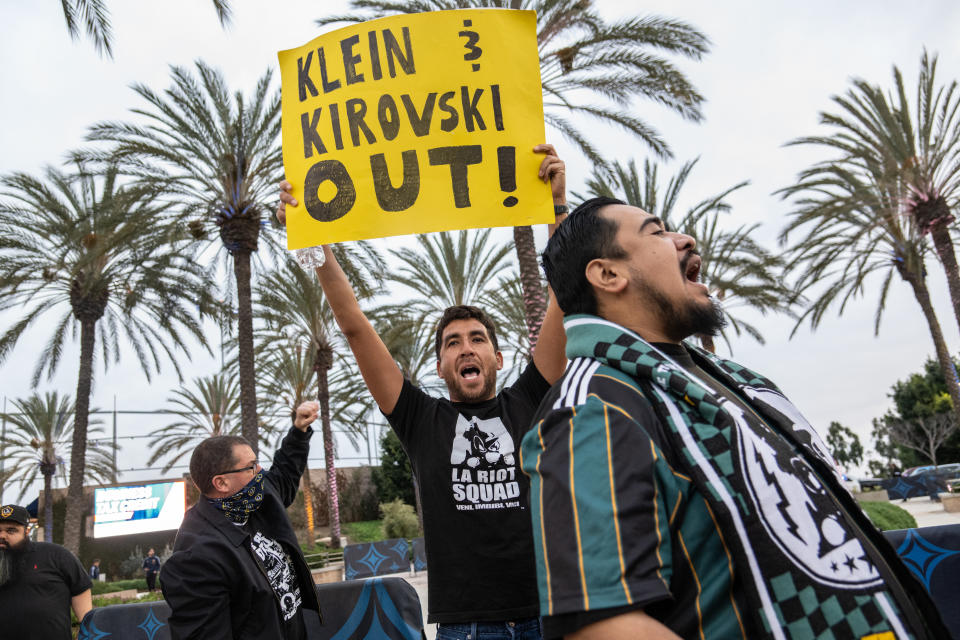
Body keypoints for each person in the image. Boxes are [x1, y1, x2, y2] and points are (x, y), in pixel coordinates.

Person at [520, 197, 949, 639]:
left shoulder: (729, 382)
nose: (684, 239)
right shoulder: (593, 408)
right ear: (608, 275)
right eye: (656, 232)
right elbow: (603, 626)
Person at [277, 144, 568, 639]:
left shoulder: (530, 399)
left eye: (478, 339)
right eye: (453, 343)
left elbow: (568, 298)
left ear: (499, 358)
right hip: (467, 628)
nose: (465, 348)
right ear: (439, 365)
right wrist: (315, 240)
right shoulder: (419, 419)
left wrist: (557, 210)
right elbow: (353, 327)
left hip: (549, 616)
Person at [161, 401, 323, 640]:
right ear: (222, 483)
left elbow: (285, 475)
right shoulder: (195, 559)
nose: (260, 471)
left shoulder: (255, 500)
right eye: (250, 466)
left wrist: (298, 431)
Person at [0, 504, 93, 639]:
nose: (2, 535)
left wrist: (88, 631)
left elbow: (80, 590)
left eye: (11, 530)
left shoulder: (56, 555)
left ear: (26, 532)